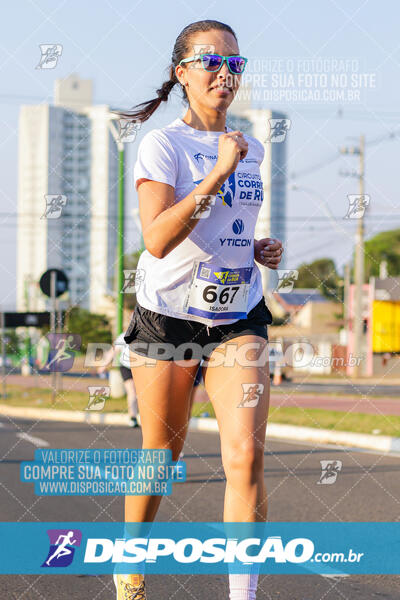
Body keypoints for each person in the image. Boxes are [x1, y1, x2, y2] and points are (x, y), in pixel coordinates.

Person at [114, 19, 284, 600]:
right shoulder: (163, 145)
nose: (224, 74)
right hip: (168, 318)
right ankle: (131, 569)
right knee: (161, 455)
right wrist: (217, 171)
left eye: (235, 64)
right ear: (181, 72)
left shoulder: (252, 147)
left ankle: (244, 593)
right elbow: (158, 238)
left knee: (246, 456)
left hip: (239, 317)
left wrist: (258, 248)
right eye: (210, 61)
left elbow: (229, 228)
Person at [97, 331, 139, 428]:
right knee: (132, 392)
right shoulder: (124, 336)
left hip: (141, 368)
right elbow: (114, 351)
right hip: (126, 367)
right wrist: (103, 365)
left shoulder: (146, 335)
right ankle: (133, 418)